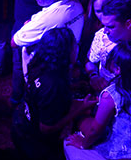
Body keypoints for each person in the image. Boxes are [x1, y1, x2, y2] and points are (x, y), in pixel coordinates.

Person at [11, 28, 97, 160]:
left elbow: (40, 93)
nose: (77, 50)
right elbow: (47, 128)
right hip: (32, 140)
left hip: (21, 123)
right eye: (75, 46)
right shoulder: (53, 85)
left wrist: (72, 87)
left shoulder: (40, 64)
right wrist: (81, 108)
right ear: (65, 52)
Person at [12, 0, 85, 79]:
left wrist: (30, 24)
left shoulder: (47, 20)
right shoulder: (74, 2)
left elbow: (14, 42)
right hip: (64, 72)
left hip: (43, 77)